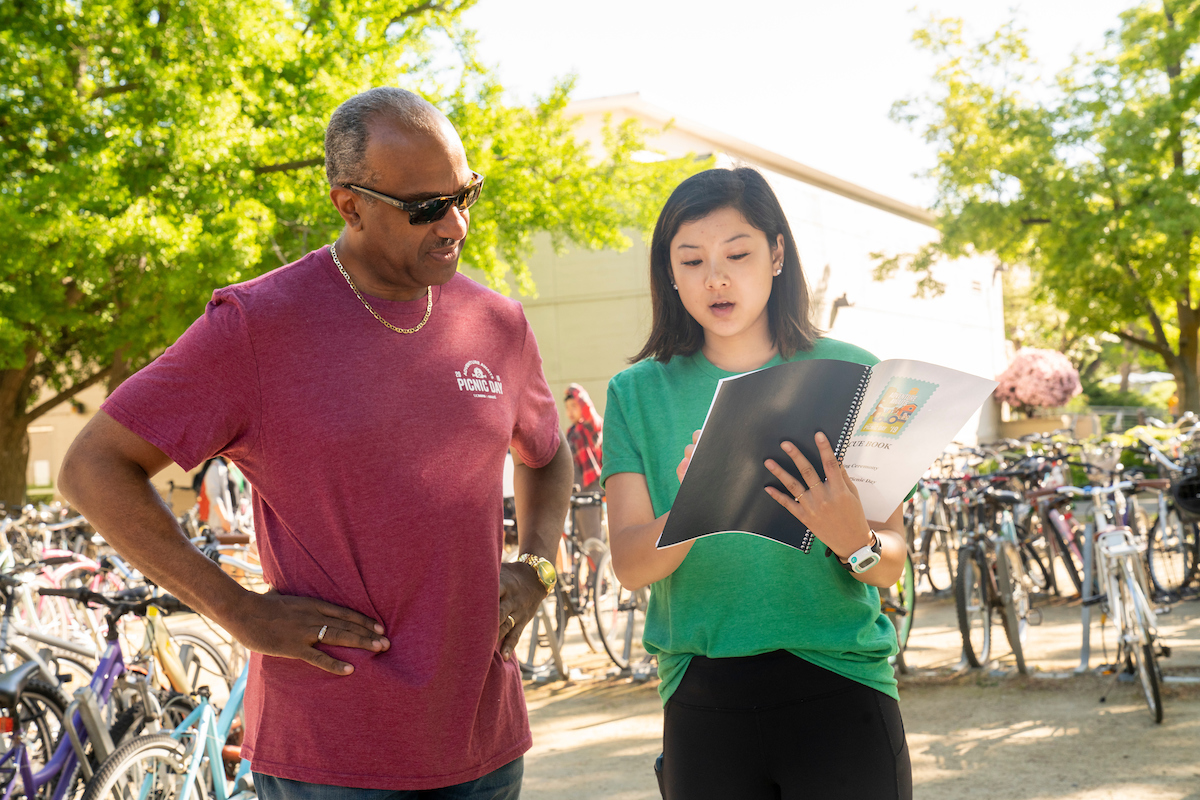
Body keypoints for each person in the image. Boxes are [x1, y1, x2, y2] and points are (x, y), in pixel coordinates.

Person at [58, 87, 573, 799]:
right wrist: (235, 610)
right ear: (349, 203)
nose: (455, 223)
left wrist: (537, 570)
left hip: (482, 748)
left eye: (465, 195)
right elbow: (92, 469)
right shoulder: (257, 326)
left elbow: (548, 453)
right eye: (426, 207)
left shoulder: (498, 325)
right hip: (331, 759)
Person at [602, 167, 913, 799]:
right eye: (689, 260)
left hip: (841, 684)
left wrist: (853, 539)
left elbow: (890, 563)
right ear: (669, 273)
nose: (715, 278)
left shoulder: (853, 371)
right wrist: (699, 502)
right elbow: (631, 566)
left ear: (776, 254)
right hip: (702, 694)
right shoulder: (636, 393)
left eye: (736, 254)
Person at [563, 383, 604, 545]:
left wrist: (573, 390)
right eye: (567, 407)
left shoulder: (590, 426)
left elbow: (589, 410)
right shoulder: (570, 432)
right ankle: (587, 571)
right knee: (578, 538)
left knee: (591, 535)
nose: (570, 411)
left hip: (590, 487)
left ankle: (597, 569)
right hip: (575, 488)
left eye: (574, 406)